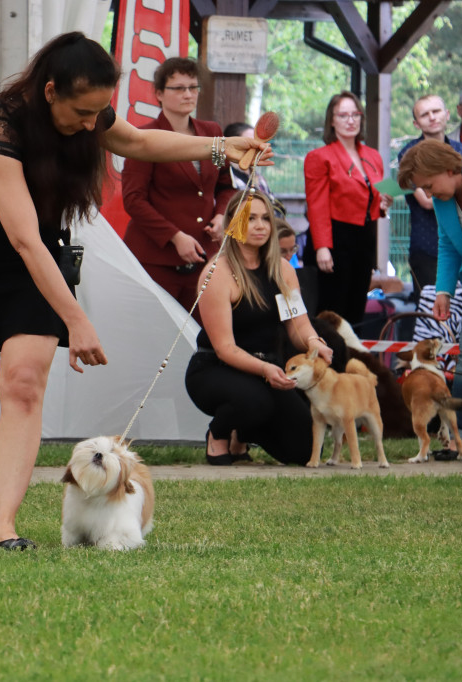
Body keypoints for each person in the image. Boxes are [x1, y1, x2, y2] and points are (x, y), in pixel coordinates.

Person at [0, 32, 271, 549]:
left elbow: (140, 141)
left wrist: (220, 147)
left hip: (37, 267)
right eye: (83, 111)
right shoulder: (0, 122)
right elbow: (23, 237)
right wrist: (76, 319)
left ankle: (4, 524)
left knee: (24, 386)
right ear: (50, 91)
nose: (93, 124)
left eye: (102, 112)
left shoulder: (89, 116)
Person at [185, 190, 333, 466]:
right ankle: (218, 433)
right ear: (232, 224)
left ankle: (244, 432)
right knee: (256, 401)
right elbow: (225, 348)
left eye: (266, 218)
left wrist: (314, 341)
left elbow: (298, 325)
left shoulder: (284, 270)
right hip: (215, 369)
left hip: (267, 370)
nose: (261, 225)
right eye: (250, 218)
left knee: (306, 451)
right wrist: (265, 370)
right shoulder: (216, 273)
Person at [398, 138, 462, 449]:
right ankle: (459, 438)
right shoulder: (444, 199)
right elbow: (447, 242)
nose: (428, 195)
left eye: (428, 186)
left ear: (446, 168)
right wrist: (443, 290)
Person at [122, 57, 235, 319]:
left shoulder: (212, 133)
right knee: (156, 337)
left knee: (200, 336)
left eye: (194, 87)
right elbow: (133, 200)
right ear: (159, 94)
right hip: (155, 259)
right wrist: (175, 236)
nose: (188, 94)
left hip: (204, 258)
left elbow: (225, 185)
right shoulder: (144, 137)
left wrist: (221, 215)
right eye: (179, 88)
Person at [302, 91, 392, 327]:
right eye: (343, 115)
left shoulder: (373, 156)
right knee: (331, 312)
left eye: (355, 114)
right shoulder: (319, 157)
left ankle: (350, 360)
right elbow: (317, 205)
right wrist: (322, 247)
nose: (350, 120)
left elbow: (373, 196)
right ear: (332, 121)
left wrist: (383, 203)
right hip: (334, 239)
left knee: (355, 311)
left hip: (364, 238)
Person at [397, 95, 462, 291]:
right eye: (424, 114)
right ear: (416, 123)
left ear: (447, 115)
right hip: (428, 245)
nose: (432, 117)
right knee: (430, 311)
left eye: (436, 111)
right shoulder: (408, 154)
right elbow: (427, 201)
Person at [224, 121, 273, 197]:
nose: (256, 146)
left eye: (257, 142)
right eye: (249, 142)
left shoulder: (258, 177)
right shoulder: (226, 178)